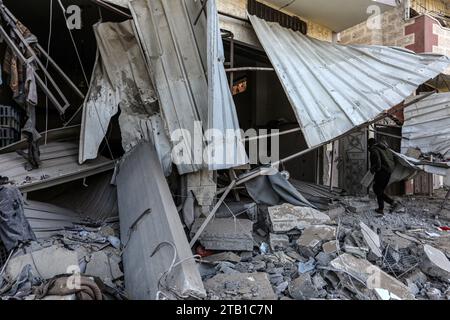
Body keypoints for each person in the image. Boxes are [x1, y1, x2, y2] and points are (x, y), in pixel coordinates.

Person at [368, 138, 399, 214]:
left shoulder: (374, 150)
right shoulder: (386, 149)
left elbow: (378, 163)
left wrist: (373, 170)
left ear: (370, 144)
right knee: (380, 190)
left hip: (381, 172)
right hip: (388, 172)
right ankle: (381, 209)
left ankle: (392, 202)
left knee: (376, 189)